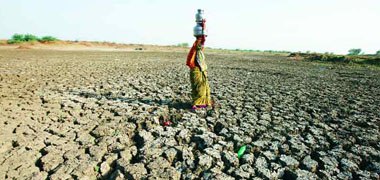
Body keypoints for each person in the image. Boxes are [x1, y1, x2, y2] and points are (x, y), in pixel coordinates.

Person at [186, 21, 212, 110]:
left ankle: (203, 103)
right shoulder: (197, 46)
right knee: (199, 87)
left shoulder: (198, 51)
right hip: (197, 70)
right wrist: (203, 27)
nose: (203, 45)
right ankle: (197, 104)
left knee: (202, 87)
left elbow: (202, 42)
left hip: (199, 70)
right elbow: (202, 40)